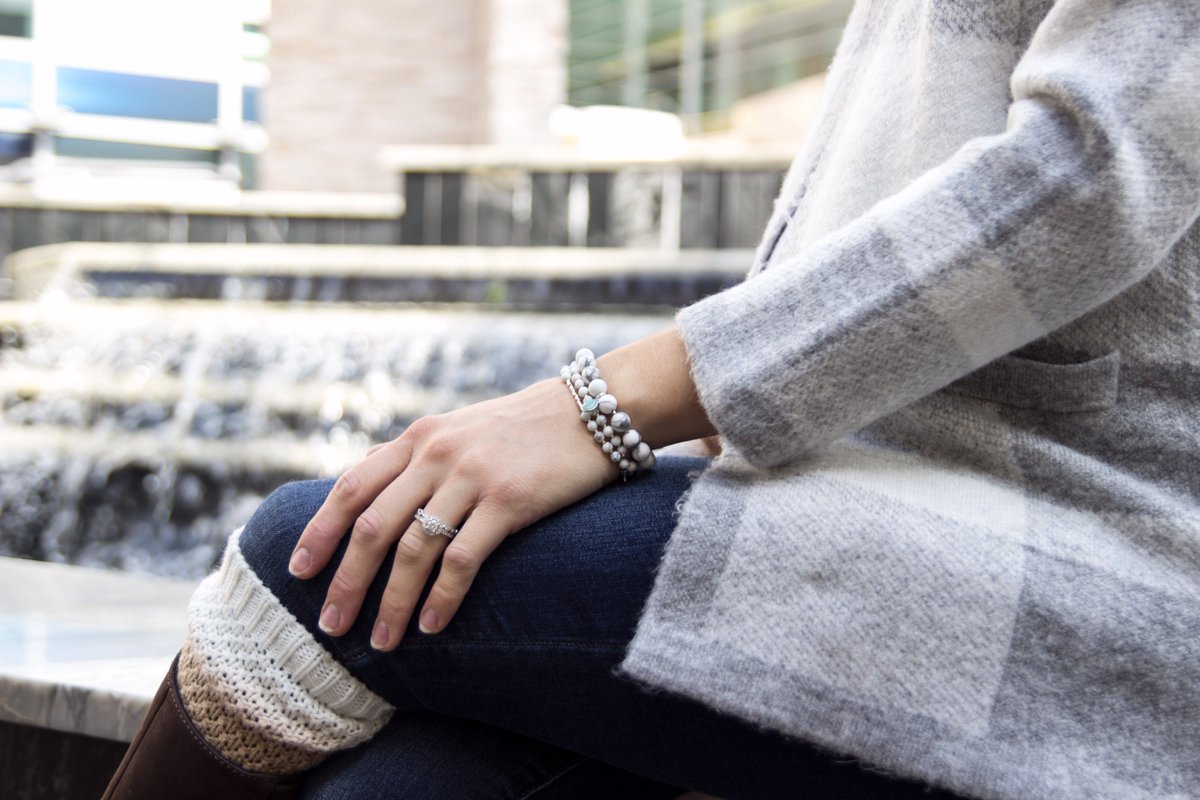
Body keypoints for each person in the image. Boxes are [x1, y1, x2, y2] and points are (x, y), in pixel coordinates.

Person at [103, 0, 1200, 797]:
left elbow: (1089, 176)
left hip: (1074, 561)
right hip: (890, 497)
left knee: (310, 557)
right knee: (409, 786)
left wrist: (598, 407)